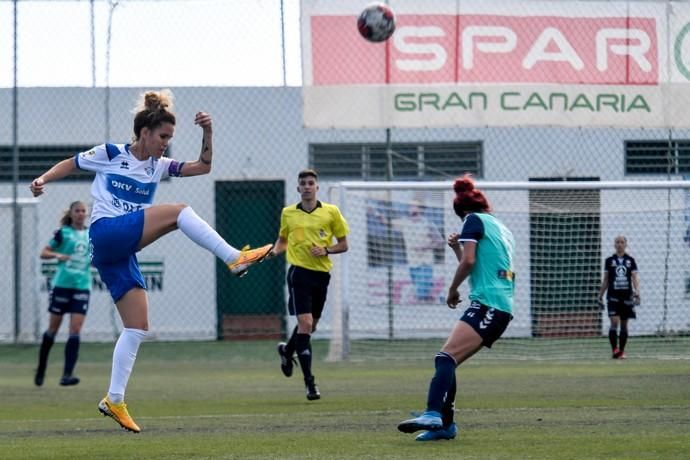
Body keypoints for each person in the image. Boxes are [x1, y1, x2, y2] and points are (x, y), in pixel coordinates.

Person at [29, 89, 272, 433]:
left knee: (138, 327)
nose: (166, 144)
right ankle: (235, 258)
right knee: (179, 212)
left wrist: (208, 132)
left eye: (171, 138)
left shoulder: (159, 167)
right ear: (145, 132)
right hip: (106, 233)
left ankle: (114, 399)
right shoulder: (112, 153)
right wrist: (42, 179)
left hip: (118, 252)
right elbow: (73, 163)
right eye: (163, 136)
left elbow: (203, 167)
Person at [397, 174, 515, 442]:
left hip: (490, 305)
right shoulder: (499, 226)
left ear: (462, 212)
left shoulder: (471, 221)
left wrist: (452, 290)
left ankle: (433, 414)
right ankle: (445, 425)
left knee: (445, 359)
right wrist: (455, 248)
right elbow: (478, 263)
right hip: (496, 304)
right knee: (447, 360)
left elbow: (470, 261)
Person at [270, 169, 349, 400]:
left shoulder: (331, 212)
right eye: (303, 183)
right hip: (299, 274)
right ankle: (310, 384)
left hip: (321, 276)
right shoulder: (288, 213)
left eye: (310, 183)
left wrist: (326, 249)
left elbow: (344, 244)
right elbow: (283, 241)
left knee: (310, 327)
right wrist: (273, 252)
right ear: (298, 188)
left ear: (317, 187)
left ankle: (287, 350)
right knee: (304, 324)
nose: (306, 186)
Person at [34, 200, 92, 387]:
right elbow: (44, 252)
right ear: (71, 213)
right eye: (77, 211)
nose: (81, 214)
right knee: (53, 329)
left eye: (83, 211)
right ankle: (41, 368)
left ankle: (67, 375)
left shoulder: (92, 233)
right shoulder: (63, 233)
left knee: (75, 330)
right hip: (62, 285)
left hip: (82, 285)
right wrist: (57, 255)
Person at [392, 200, 445, 302]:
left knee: (421, 293)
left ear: (420, 209)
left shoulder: (428, 224)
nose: (411, 208)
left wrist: (425, 247)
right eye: (410, 206)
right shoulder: (404, 222)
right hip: (412, 262)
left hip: (425, 262)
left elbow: (440, 242)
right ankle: (430, 300)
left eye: (414, 206)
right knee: (420, 293)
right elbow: (386, 222)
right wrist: (375, 213)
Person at [598, 235, 640, 360]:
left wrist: (637, 292)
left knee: (624, 325)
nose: (619, 244)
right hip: (613, 296)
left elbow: (634, 277)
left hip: (627, 296)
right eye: (617, 242)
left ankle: (621, 351)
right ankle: (614, 349)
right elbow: (606, 280)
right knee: (614, 323)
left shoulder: (630, 260)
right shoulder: (609, 260)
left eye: (622, 242)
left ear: (626, 244)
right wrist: (600, 295)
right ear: (614, 244)